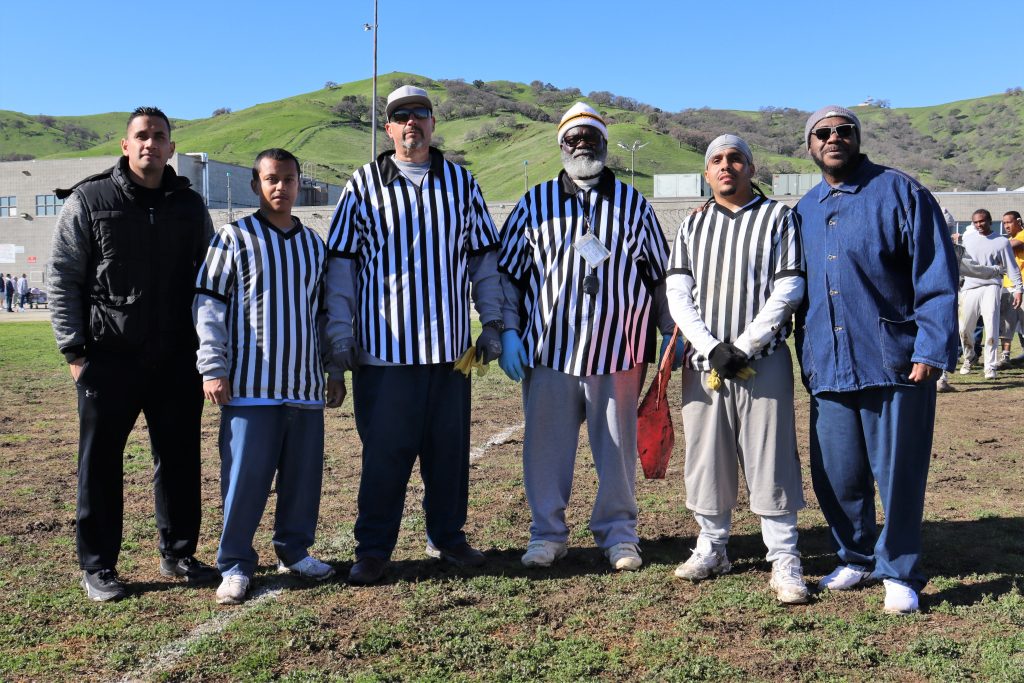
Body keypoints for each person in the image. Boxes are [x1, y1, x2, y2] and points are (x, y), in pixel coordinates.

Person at [326, 85, 504, 585]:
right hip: (384, 354)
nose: (411, 124)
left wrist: (490, 322)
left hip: (449, 353)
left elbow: (482, 262)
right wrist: (339, 340)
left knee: (448, 455)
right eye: (400, 117)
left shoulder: (462, 185)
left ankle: (448, 537)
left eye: (420, 115)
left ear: (432, 123)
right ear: (388, 128)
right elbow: (341, 269)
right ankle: (374, 547)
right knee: (385, 456)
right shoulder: (362, 186)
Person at [497, 102, 678, 572]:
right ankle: (546, 534)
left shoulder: (634, 204)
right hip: (550, 351)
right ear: (561, 145)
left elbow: (658, 275)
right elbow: (509, 277)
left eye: (590, 136)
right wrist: (510, 332)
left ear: (605, 142)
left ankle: (619, 535)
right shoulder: (533, 203)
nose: (582, 144)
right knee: (545, 451)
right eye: (573, 137)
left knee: (617, 452)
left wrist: (667, 335)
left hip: (619, 351)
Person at [48, 106, 218, 602]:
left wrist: (206, 349)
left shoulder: (190, 205)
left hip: (175, 358)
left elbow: (210, 280)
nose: (150, 144)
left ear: (170, 148)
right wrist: (75, 352)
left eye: (159, 137)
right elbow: (62, 276)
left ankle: (180, 553)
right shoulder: (90, 199)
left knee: (181, 459)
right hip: (108, 358)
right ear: (125, 145)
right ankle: (99, 566)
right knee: (100, 463)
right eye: (141, 136)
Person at [795, 105, 959, 614]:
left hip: (894, 359)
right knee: (837, 473)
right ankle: (857, 555)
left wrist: (932, 347)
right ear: (810, 146)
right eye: (823, 133)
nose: (834, 137)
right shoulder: (803, 209)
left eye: (844, 130)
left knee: (898, 472)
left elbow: (936, 276)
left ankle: (901, 570)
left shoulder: (901, 193)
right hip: (829, 361)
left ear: (857, 138)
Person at [195, 149, 343, 605]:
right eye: (271, 179)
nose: (280, 187)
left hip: (303, 388)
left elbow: (323, 314)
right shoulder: (233, 238)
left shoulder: (314, 245)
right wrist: (213, 366)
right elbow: (208, 306)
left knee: (303, 479)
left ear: (300, 184)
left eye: (289, 179)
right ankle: (235, 564)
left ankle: (294, 551)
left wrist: (333, 367)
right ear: (256, 186)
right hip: (249, 389)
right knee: (244, 481)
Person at [665, 135, 808, 603]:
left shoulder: (779, 218)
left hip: (760, 363)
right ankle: (712, 545)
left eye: (735, 159)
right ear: (707, 173)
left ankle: (784, 556)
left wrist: (743, 347)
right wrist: (710, 347)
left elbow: (788, 288)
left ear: (751, 167)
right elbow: (679, 293)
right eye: (716, 161)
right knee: (706, 457)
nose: (726, 166)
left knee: (771, 455)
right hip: (705, 364)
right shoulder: (693, 224)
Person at [936, 210, 1003, 392]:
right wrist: (995, 271)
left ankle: (940, 377)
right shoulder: (948, 248)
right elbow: (972, 268)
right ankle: (939, 377)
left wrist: (993, 271)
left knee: (945, 335)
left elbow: (972, 268)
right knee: (945, 334)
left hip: (943, 296)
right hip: (940, 296)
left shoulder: (952, 249)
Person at [959, 209, 1022, 379]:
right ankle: (969, 357)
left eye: (982, 221)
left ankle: (990, 366)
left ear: (989, 221)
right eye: (975, 222)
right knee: (964, 328)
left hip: (991, 286)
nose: (979, 224)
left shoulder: (1001, 241)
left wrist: (1018, 289)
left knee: (992, 327)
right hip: (969, 287)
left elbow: (1011, 267)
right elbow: (963, 264)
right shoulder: (967, 240)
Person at [997, 211, 1024, 364]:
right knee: (1006, 323)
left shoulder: (1020, 236)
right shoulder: (1008, 240)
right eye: (1004, 223)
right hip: (1007, 286)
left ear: (1018, 222)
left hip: (1022, 286)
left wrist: (989, 242)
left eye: (1009, 222)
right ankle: (1005, 356)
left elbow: (1010, 246)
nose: (1006, 225)